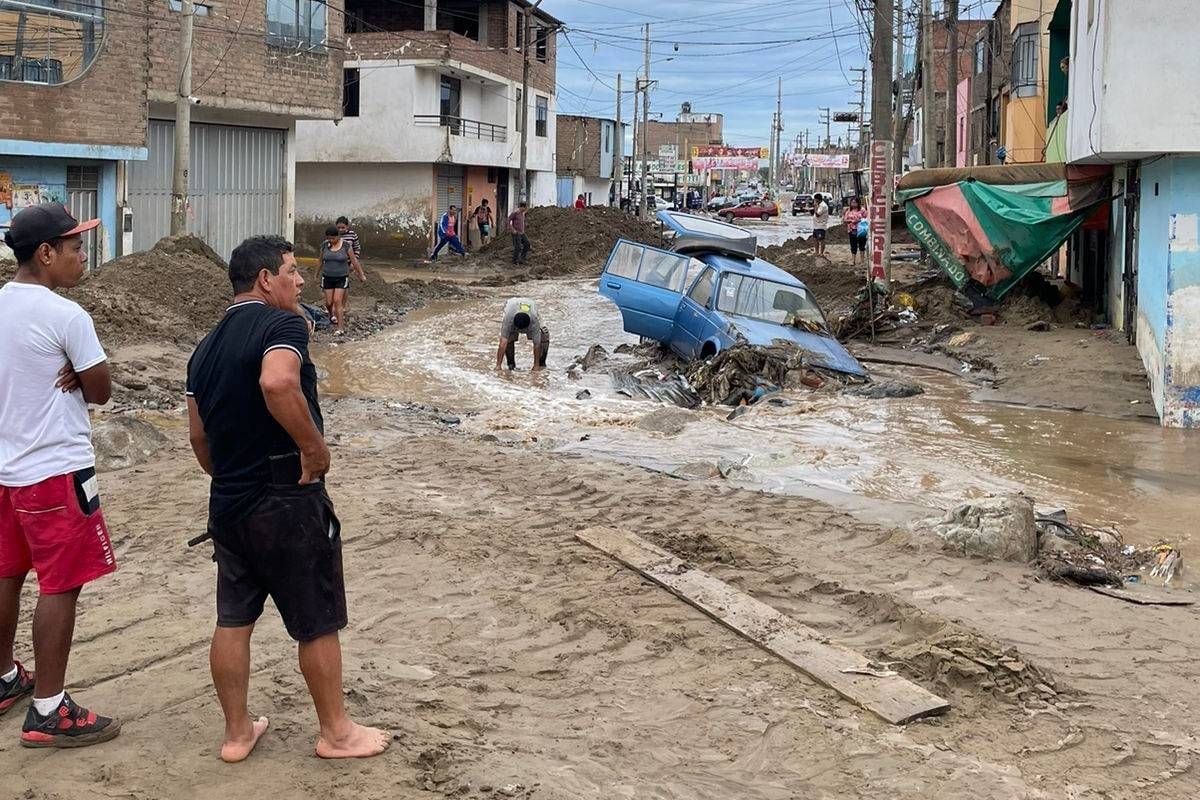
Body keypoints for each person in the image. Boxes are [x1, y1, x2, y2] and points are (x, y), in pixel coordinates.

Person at [186, 235, 389, 763]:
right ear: (264, 281)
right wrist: (314, 449)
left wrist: (231, 475)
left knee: (233, 618)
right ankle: (337, 733)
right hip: (285, 498)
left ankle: (236, 734)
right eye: (290, 272)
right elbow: (278, 383)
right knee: (316, 618)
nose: (301, 281)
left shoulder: (203, 349)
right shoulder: (283, 323)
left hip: (228, 503)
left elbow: (198, 438)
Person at [0, 203, 121, 748]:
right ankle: (48, 708)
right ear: (45, 254)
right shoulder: (66, 316)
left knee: (6, 573)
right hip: (53, 470)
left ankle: (5, 678)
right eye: (75, 247)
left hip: (4, 469)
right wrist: (81, 368)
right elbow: (101, 389)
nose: (82, 256)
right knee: (61, 583)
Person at [319, 226, 364, 331]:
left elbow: (354, 261)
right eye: (329, 238)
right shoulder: (324, 246)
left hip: (342, 278)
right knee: (329, 303)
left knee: (337, 301)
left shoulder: (346, 246)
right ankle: (331, 315)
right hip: (327, 277)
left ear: (338, 237)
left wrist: (361, 274)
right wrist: (316, 274)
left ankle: (340, 327)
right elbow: (320, 261)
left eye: (333, 238)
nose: (331, 240)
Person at [496, 297, 549, 371]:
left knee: (544, 335)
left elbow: (537, 344)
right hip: (512, 304)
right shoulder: (508, 318)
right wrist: (498, 365)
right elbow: (503, 343)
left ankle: (541, 364)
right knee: (509, 338)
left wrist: (536, 365)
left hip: (530, 305)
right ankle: (511, 365)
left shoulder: (534, 320)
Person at [844, 197, 868, 267]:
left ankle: (862, 261)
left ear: (858, 203)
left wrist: (859, 220)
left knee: (862, 245)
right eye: (852, 202)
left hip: (861, 230)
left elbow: (867, 218)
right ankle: (853, 260)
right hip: (852, 230)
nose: (853, 204)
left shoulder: (862, 210)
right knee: (853, 245)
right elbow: (845, 220)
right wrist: (851, 221)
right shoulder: (849, 211)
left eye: (855, 202)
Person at [812, 192, 830, 258]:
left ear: (818, 200)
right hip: (816, 225)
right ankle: (816, 252)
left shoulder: (823, 206)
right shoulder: (819, 205)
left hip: (821, 226)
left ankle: (821, 253)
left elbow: (817, 214)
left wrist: (815, 207)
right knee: (815, 239)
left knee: (821, 239)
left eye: (815, 200)